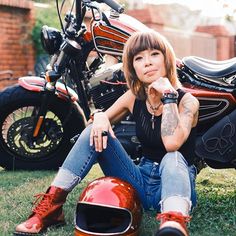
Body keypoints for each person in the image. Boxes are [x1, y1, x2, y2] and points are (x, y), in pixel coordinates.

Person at [14, 30, 199, 236]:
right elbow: (98, 120)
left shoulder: (187, 101)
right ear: (133, 68)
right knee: (95, 129)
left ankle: (174, 222)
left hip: (174, 185)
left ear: (167, 59)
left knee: (172, 157)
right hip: (140, 181)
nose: (147, 62)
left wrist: (169, 96)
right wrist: (100, 117)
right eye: (139, 58)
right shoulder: (133, 97)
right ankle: (52, 206)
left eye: (154, 54)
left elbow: (172, 143)